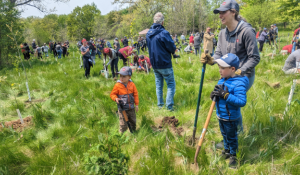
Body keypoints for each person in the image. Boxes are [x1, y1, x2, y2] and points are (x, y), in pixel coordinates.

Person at [202, 0, 260, 148]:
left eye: (223, 12)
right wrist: (211, 60)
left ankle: (233, 137)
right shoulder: (222, 33)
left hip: (244, 76)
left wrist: (240, 71)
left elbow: (254, 57)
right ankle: (233, 135)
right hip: (227, 75)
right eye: (219, 12)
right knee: (225, 101)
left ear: (233, 12)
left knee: (231, 101)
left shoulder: (246, 31)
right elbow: (220, 54)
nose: (220, 15)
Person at [210, 53, 249, 168]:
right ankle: (227, 150)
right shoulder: (221, 80)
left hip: (230, 117)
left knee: (231, 137)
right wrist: (214, 96)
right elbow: (218, 95)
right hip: (221, 115)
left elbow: (242, 101)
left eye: (222, 68)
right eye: (219, 67)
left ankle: (234, 155)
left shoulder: (238, 83)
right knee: (224, 135)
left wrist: (226, 95)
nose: (219, 70)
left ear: (232, 69)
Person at [146, 12, 177, 111]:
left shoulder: (148, 34)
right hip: (165, 63)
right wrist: (173, 50)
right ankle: (169, 107)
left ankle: (160, 106)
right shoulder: (164, 33)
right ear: (162, 22)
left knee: (159, 85)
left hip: (154, 63)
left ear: (153, 21)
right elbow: (171, 47)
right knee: (170, 85)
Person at [110, 66, 139, 133]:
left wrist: (136, 104)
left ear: (129, 77)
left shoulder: (132, 84)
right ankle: (121, 136)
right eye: (120, 76)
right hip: (122, 109)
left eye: (124, 76)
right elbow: (112, 94)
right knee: (123, 124)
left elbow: (135, 94)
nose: (121, 78)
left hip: (131, 108)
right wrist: (116, 98)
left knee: (133, 122)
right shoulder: (117, 85)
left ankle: (133, 133)